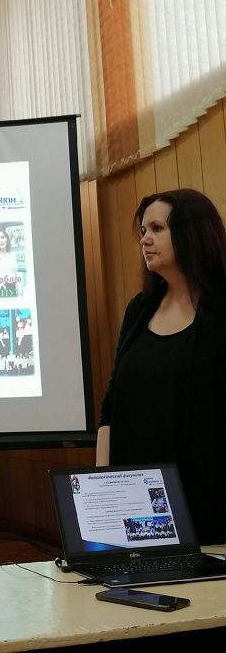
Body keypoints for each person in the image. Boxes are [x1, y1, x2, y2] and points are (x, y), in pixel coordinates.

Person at [96, 188, 226, 544]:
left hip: (207, 500)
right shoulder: (139, 309)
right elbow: (110, 406)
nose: (145, 240)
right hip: (136, 500)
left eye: (157, 229)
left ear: (191, 233)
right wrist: (102, 485)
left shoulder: (220, 310)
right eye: (143, 231)